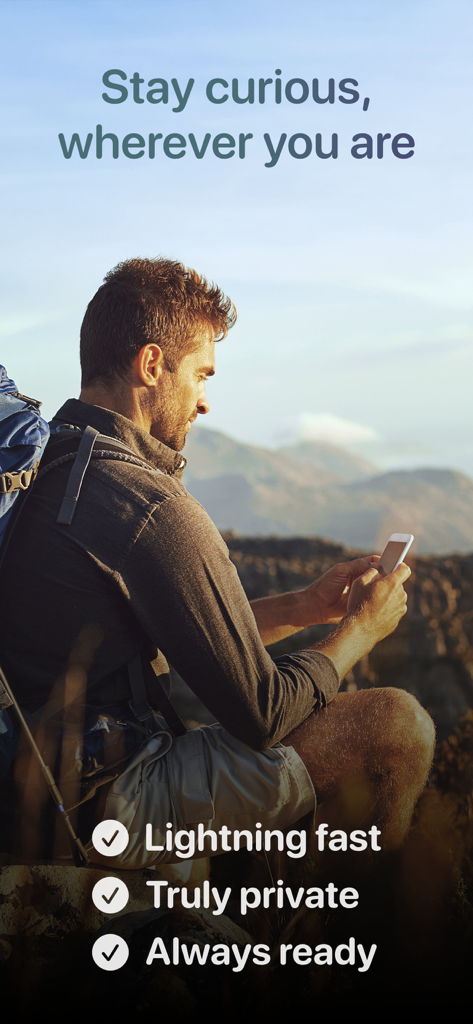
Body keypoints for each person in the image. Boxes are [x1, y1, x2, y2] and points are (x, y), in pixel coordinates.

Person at [0, 257, 435, 866]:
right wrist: (362, 629)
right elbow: (264, 714)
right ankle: (351, 938)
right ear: (152, 365)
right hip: (100, 804)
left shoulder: (48, 468)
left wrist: (306, 606)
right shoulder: (148, 509)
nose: (204, 402)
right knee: (397, 725)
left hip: (31, 782)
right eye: (201, 375)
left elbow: (188, 638)